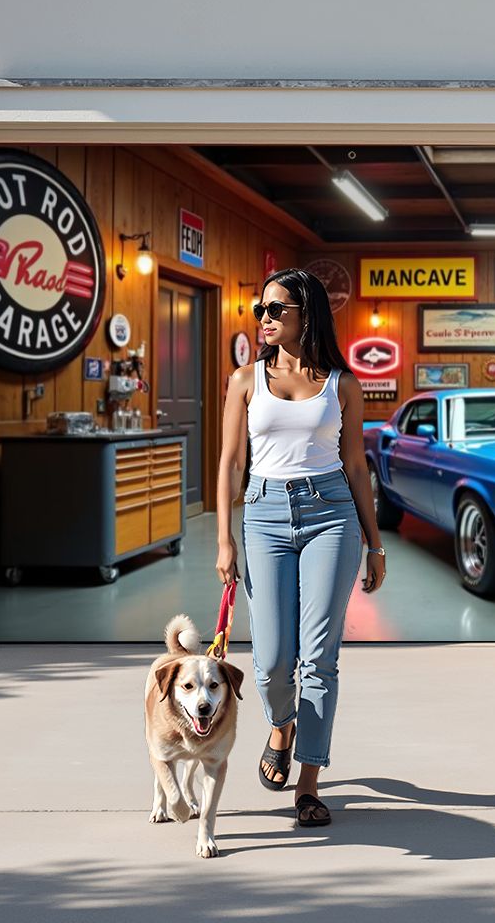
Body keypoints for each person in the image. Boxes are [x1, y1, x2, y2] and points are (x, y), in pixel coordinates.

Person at [215, 267, 386, 827]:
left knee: (318, 657)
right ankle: (281, 724)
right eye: (260, 309)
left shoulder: (344, 384)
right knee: (269, 663)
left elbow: (357, 465)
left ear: (305, 315)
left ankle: (309, 782)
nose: (263, 319)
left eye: (275, 310)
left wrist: (375, 542)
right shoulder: (245, 380)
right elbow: (231, 464)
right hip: (263, 514)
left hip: (330, 514)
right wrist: (223, 538)